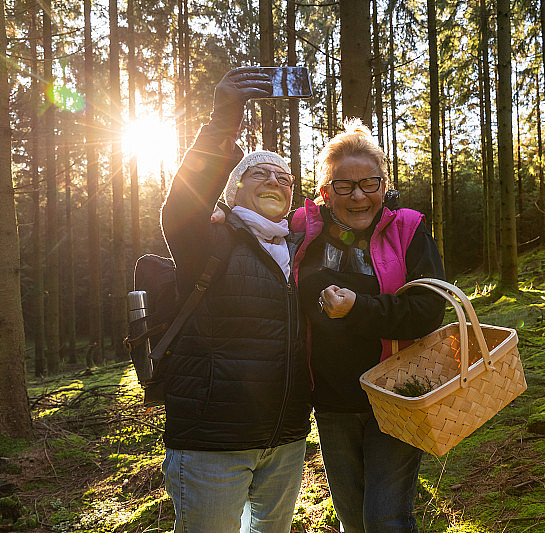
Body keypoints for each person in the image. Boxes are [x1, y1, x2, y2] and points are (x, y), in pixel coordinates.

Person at [160, 66, 311, 533]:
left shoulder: (302, 246)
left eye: (284, 176)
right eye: (258, 172)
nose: (275, 180)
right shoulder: (207, 239)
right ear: (233, 187)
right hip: (211, 443)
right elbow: (182, 205)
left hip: (286, 440)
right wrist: (224, 117)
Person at [290, 119, 446, 533]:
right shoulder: (302, 232)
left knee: (386, 521)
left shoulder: (408, 229)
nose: (358, 196)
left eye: (369, 183)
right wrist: (229, 220)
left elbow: (428, 310)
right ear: (325, 192)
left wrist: (358, 308)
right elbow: (255, 232)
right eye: (344, 186)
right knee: (353, 523)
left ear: (383, 185)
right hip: (331, 400)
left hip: (396, 393)